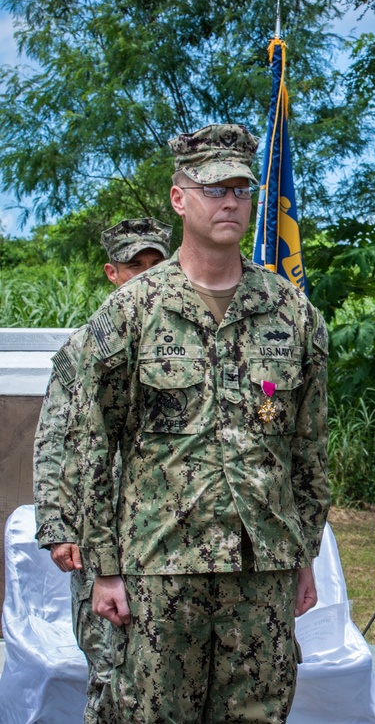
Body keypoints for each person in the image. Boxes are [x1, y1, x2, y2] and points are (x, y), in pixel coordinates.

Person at [76, 124, 330, 723]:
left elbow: (309, 445)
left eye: (242, 188)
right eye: (214, 188)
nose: (232, 202)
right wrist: (104, 567)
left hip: (261, 565)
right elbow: (91, 441)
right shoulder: (131, 311)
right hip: (161, 565)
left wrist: (304, 555)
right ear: (178, 198)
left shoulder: (291, 312)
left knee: (259, 714)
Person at [33, 217, 171, 724]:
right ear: (112, 273)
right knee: (111, 669)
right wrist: (57, 527)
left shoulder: (182, 343)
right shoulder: (85, 346)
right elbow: (54, 442)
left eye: (157, 264)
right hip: (100, 530)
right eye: (136, 266)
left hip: (163, 530)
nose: (147, 275)